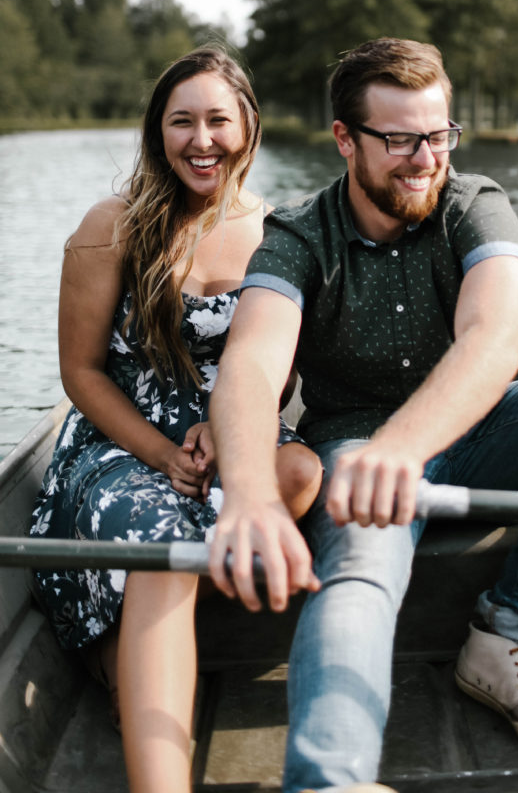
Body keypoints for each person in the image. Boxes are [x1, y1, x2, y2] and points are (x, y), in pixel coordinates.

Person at [208, 37, 518, 792]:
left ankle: (506, 634)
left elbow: (493, 336)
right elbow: (251, 363)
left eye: (438, 135)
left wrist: (403, 446)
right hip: (353, 448)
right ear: (345, 141)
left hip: (476, 434)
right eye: (399, 140)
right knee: (361, 559)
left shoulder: (472, 203)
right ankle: (329, 780)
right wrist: (250, 492)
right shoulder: (295, 235)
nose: (425, 158)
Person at [30, 47, 322, 793]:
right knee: (160, 523)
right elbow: (82, 373)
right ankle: (150, 723)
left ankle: (136, 650)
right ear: (157, 132)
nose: (201, 139)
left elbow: (277, 364)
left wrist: (227, 432)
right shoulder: (113, 224)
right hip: (121, 433)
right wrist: (161, 451)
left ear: (248, 126)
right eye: (181, 121)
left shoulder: (281, 232)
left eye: (217, 119)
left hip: (234, 429)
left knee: (299, 471)